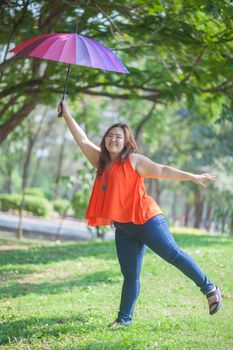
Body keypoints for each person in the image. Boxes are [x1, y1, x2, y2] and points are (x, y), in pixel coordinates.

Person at [58, 101, 222, 328]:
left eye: (118, 137)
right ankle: (124, 319)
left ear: (126, 142)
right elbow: (83, 139)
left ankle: (210, 289)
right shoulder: (101, 161)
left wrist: (191, 176)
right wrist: (67, 114)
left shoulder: (133, 160)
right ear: (105, 139)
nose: (113, 139)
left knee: (173, 254)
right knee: (130, 275)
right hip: (124, 227)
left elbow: (162, 170)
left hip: (147, 220)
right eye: (110, 136)